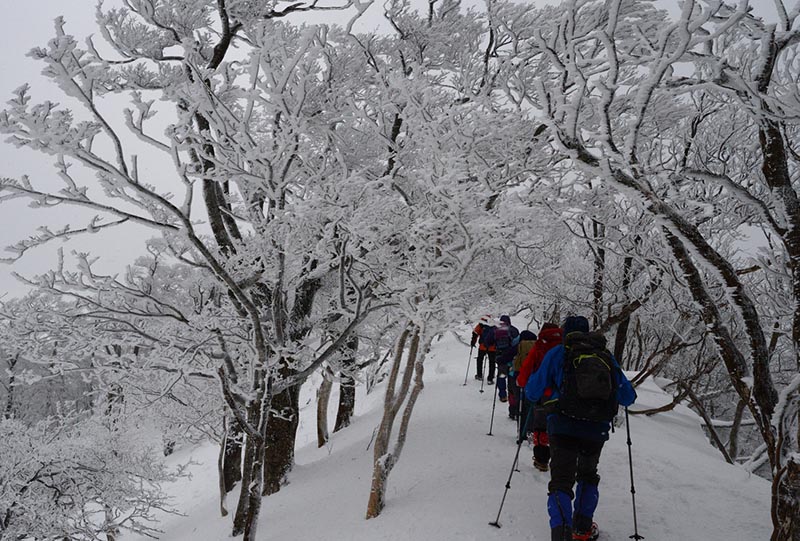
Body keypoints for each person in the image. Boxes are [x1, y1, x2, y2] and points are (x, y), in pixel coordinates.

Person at [525, 316, 636, 541]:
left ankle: (561, 533)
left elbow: (533, 390)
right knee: (587, 475)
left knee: (561, 481)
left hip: (563, 425)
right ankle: (582, 529)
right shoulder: (605, 356)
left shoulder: (558, 353)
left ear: (565, 332)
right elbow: (628, 396)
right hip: (596, 429)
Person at [517, 323, 562, 469]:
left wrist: (523, 383)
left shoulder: (540, 346)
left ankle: (542, 460)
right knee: (560, 425)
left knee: (541, 426)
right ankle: (562, 458)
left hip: (543, 393)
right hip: (564, 394)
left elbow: (528, 366)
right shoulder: (566, 347)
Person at [508, 329, 537, 421]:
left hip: (516, 373)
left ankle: (514, 412)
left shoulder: (519, 344)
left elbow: (507, 355)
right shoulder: (537, 346)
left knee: (514, 392)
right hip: (532, 375)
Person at [493, 315, 519, 403]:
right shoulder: (514, 330)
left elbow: (489, 341)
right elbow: (517, 342)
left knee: (502, 375)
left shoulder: (496, 330)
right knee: (512, 375)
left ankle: (503, 395)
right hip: (512, 357)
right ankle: (512, 394)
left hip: (500, 357)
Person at [470, 315, 496, 383]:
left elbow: (475, 333)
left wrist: (473, 342)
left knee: (480, 360)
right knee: (492, 362)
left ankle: (479, 375)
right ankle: (490, 378)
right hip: (492, 347)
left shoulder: (481, 324)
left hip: (482, 346)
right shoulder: (493, 324)